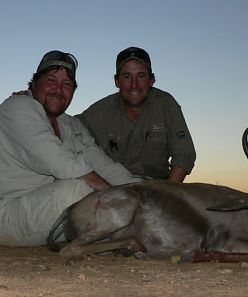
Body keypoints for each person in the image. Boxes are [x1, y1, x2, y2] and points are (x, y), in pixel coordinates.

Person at [0, 50, 142, 247]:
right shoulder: (17, 107)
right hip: (7, 212)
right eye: (51, 80)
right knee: (77, 192)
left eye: (67, 84)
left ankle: (131, 235)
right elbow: (59, 161)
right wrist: (120, 198)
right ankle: (133, 236)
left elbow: (102, 163)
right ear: (34, 83)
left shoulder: (70, 124)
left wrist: (141, 190)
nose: (58, 90)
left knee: (142, 190)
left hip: (45, 209)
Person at [76, 47, 196, 183]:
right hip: (114, 187)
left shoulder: (166, 104)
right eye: (127, 76)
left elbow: (184, 154)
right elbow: (70, 127)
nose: (134, 85)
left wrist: (167, 194)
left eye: (141, 76)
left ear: (152, 80)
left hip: (158, 187)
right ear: (116, 81)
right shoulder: (100, 111)